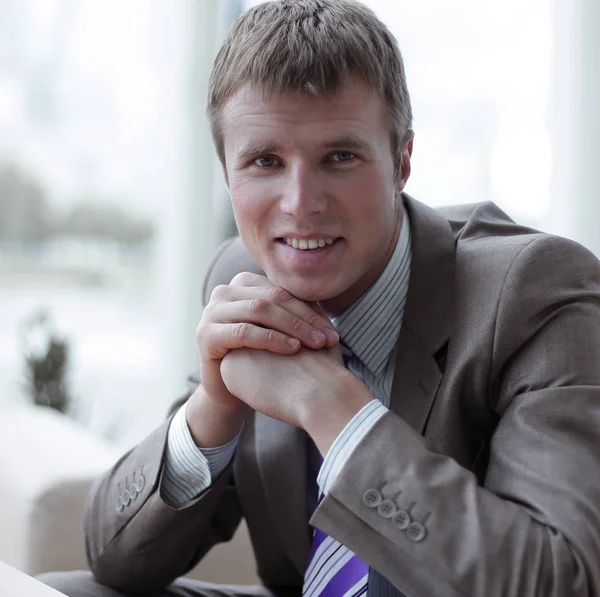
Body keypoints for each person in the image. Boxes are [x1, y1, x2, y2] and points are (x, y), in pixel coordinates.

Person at [40, 0, 600, 596]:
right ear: (227, 173)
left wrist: (334, 411)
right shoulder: (243, 277)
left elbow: (557, 580)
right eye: (264, 161)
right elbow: (117, 560)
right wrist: (213, 407)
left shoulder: (534, 290)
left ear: (402, 161)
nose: (300, 203)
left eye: (340, 157)